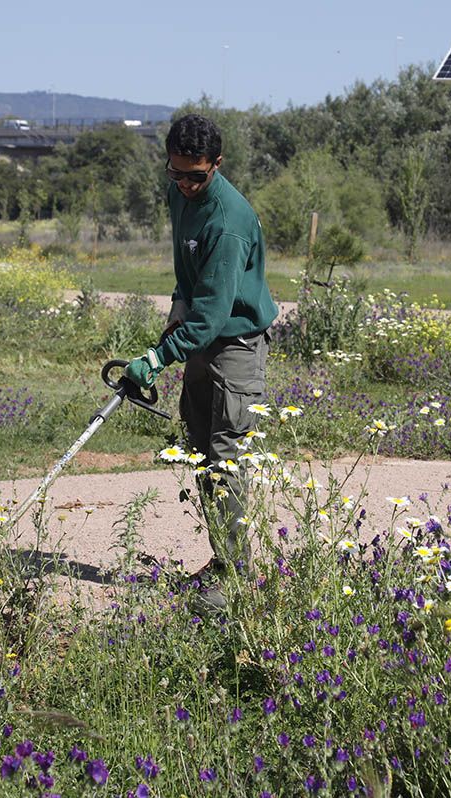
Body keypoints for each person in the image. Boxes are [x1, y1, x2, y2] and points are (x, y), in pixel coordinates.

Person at [124, 113, 278, 607]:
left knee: (226, 457)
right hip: (200, 339)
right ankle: (223, 559)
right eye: (177, 173)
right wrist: (176, 310)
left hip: (234, 345)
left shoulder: (229, 222)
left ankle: (237, 580)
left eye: (197, 175)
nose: (186, 185)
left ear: (217, 164)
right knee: (199, 451)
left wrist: (157, 356)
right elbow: (189, 280)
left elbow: (213, 315)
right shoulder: (178, 195)